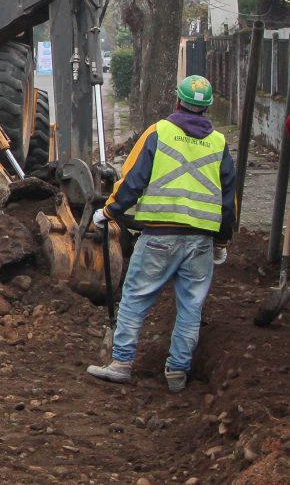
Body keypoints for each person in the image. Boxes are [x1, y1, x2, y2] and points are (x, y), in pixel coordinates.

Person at [86, 75, 236, 393]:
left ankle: (121, 364)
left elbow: (132, 179)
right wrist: (222, 241)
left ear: (177, 101)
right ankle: (178, 373)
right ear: (207, 107)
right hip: (200, 242)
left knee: (135, 298)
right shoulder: (220, 143)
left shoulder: (158, 132)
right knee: (191, 307)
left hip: (159, 237)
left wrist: (108, 212)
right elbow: (228, 199)